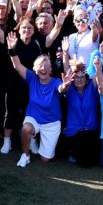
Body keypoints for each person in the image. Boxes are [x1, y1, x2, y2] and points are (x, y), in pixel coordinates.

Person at [7, 31, 65, 167]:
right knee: (26, 128)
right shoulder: (32, 78)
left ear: (51, 69)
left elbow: (62, 88)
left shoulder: (56, 81)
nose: (43, 69)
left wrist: (66, 84)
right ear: (35, 69)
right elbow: (17, 66)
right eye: (40, 66)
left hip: (52, 123)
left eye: (46, 66)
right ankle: (25, 154)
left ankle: (36, 141)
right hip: (34, 117)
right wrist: (11, 49)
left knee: (45, 159)